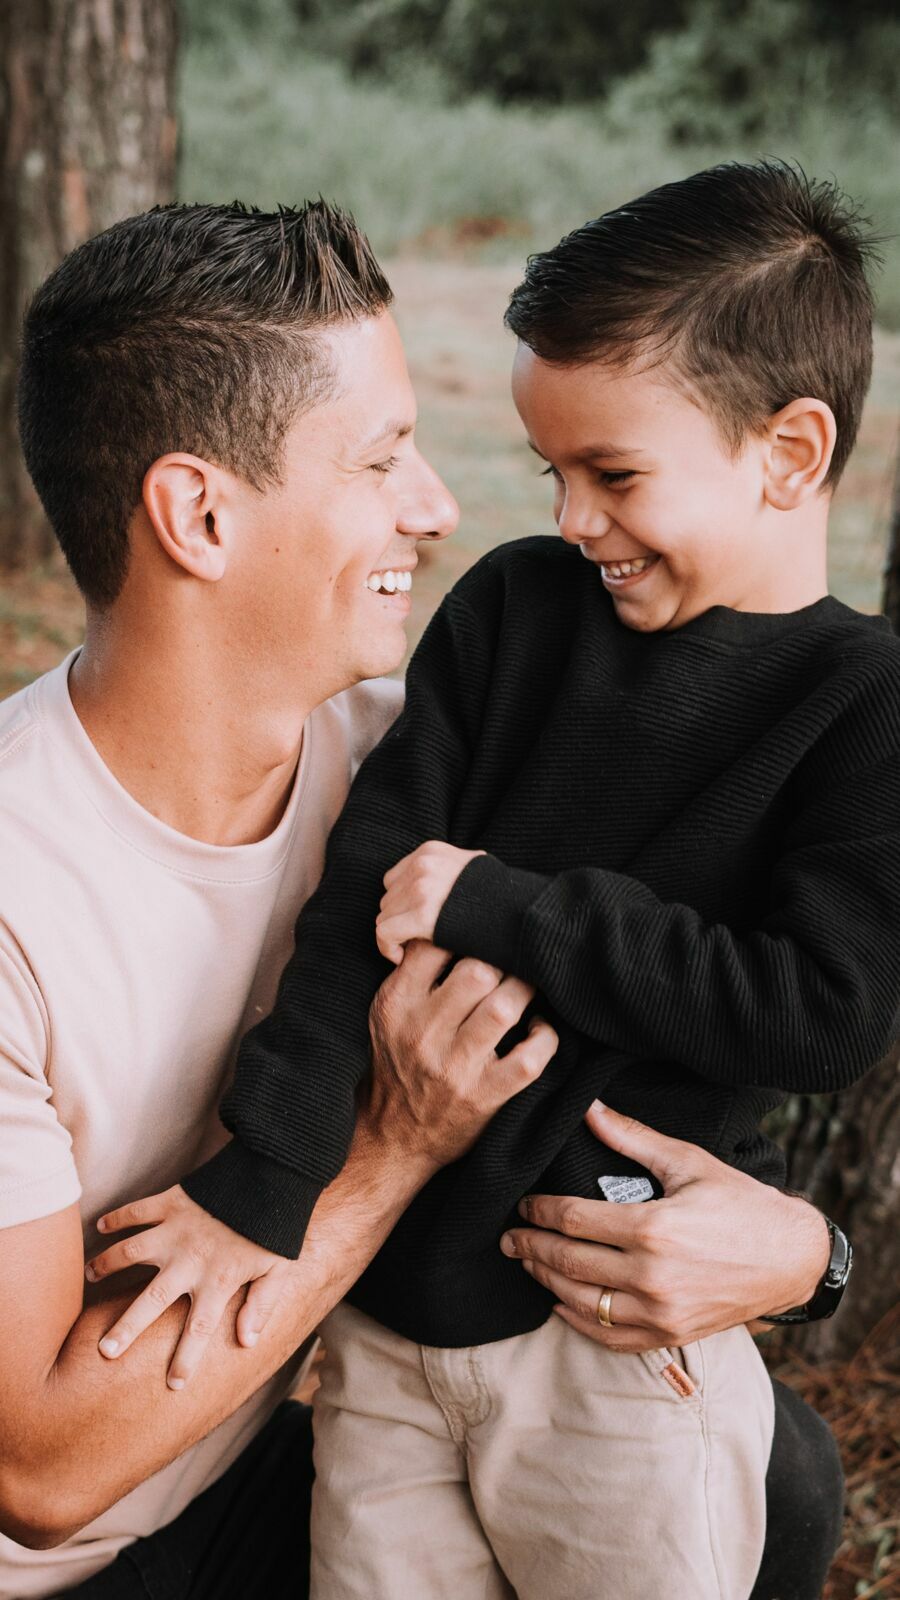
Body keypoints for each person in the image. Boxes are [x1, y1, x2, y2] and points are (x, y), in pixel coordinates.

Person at [2, 198, 841, 1600]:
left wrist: (811, 1253)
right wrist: (391, 1146)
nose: (439, 507)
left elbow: (736, 977)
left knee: (775, 1475)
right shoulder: (19, 891)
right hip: (63, 1559)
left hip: (242, 1454)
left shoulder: (407, 760)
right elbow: (33, 1473)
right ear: (201, 515)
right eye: (383, 457)